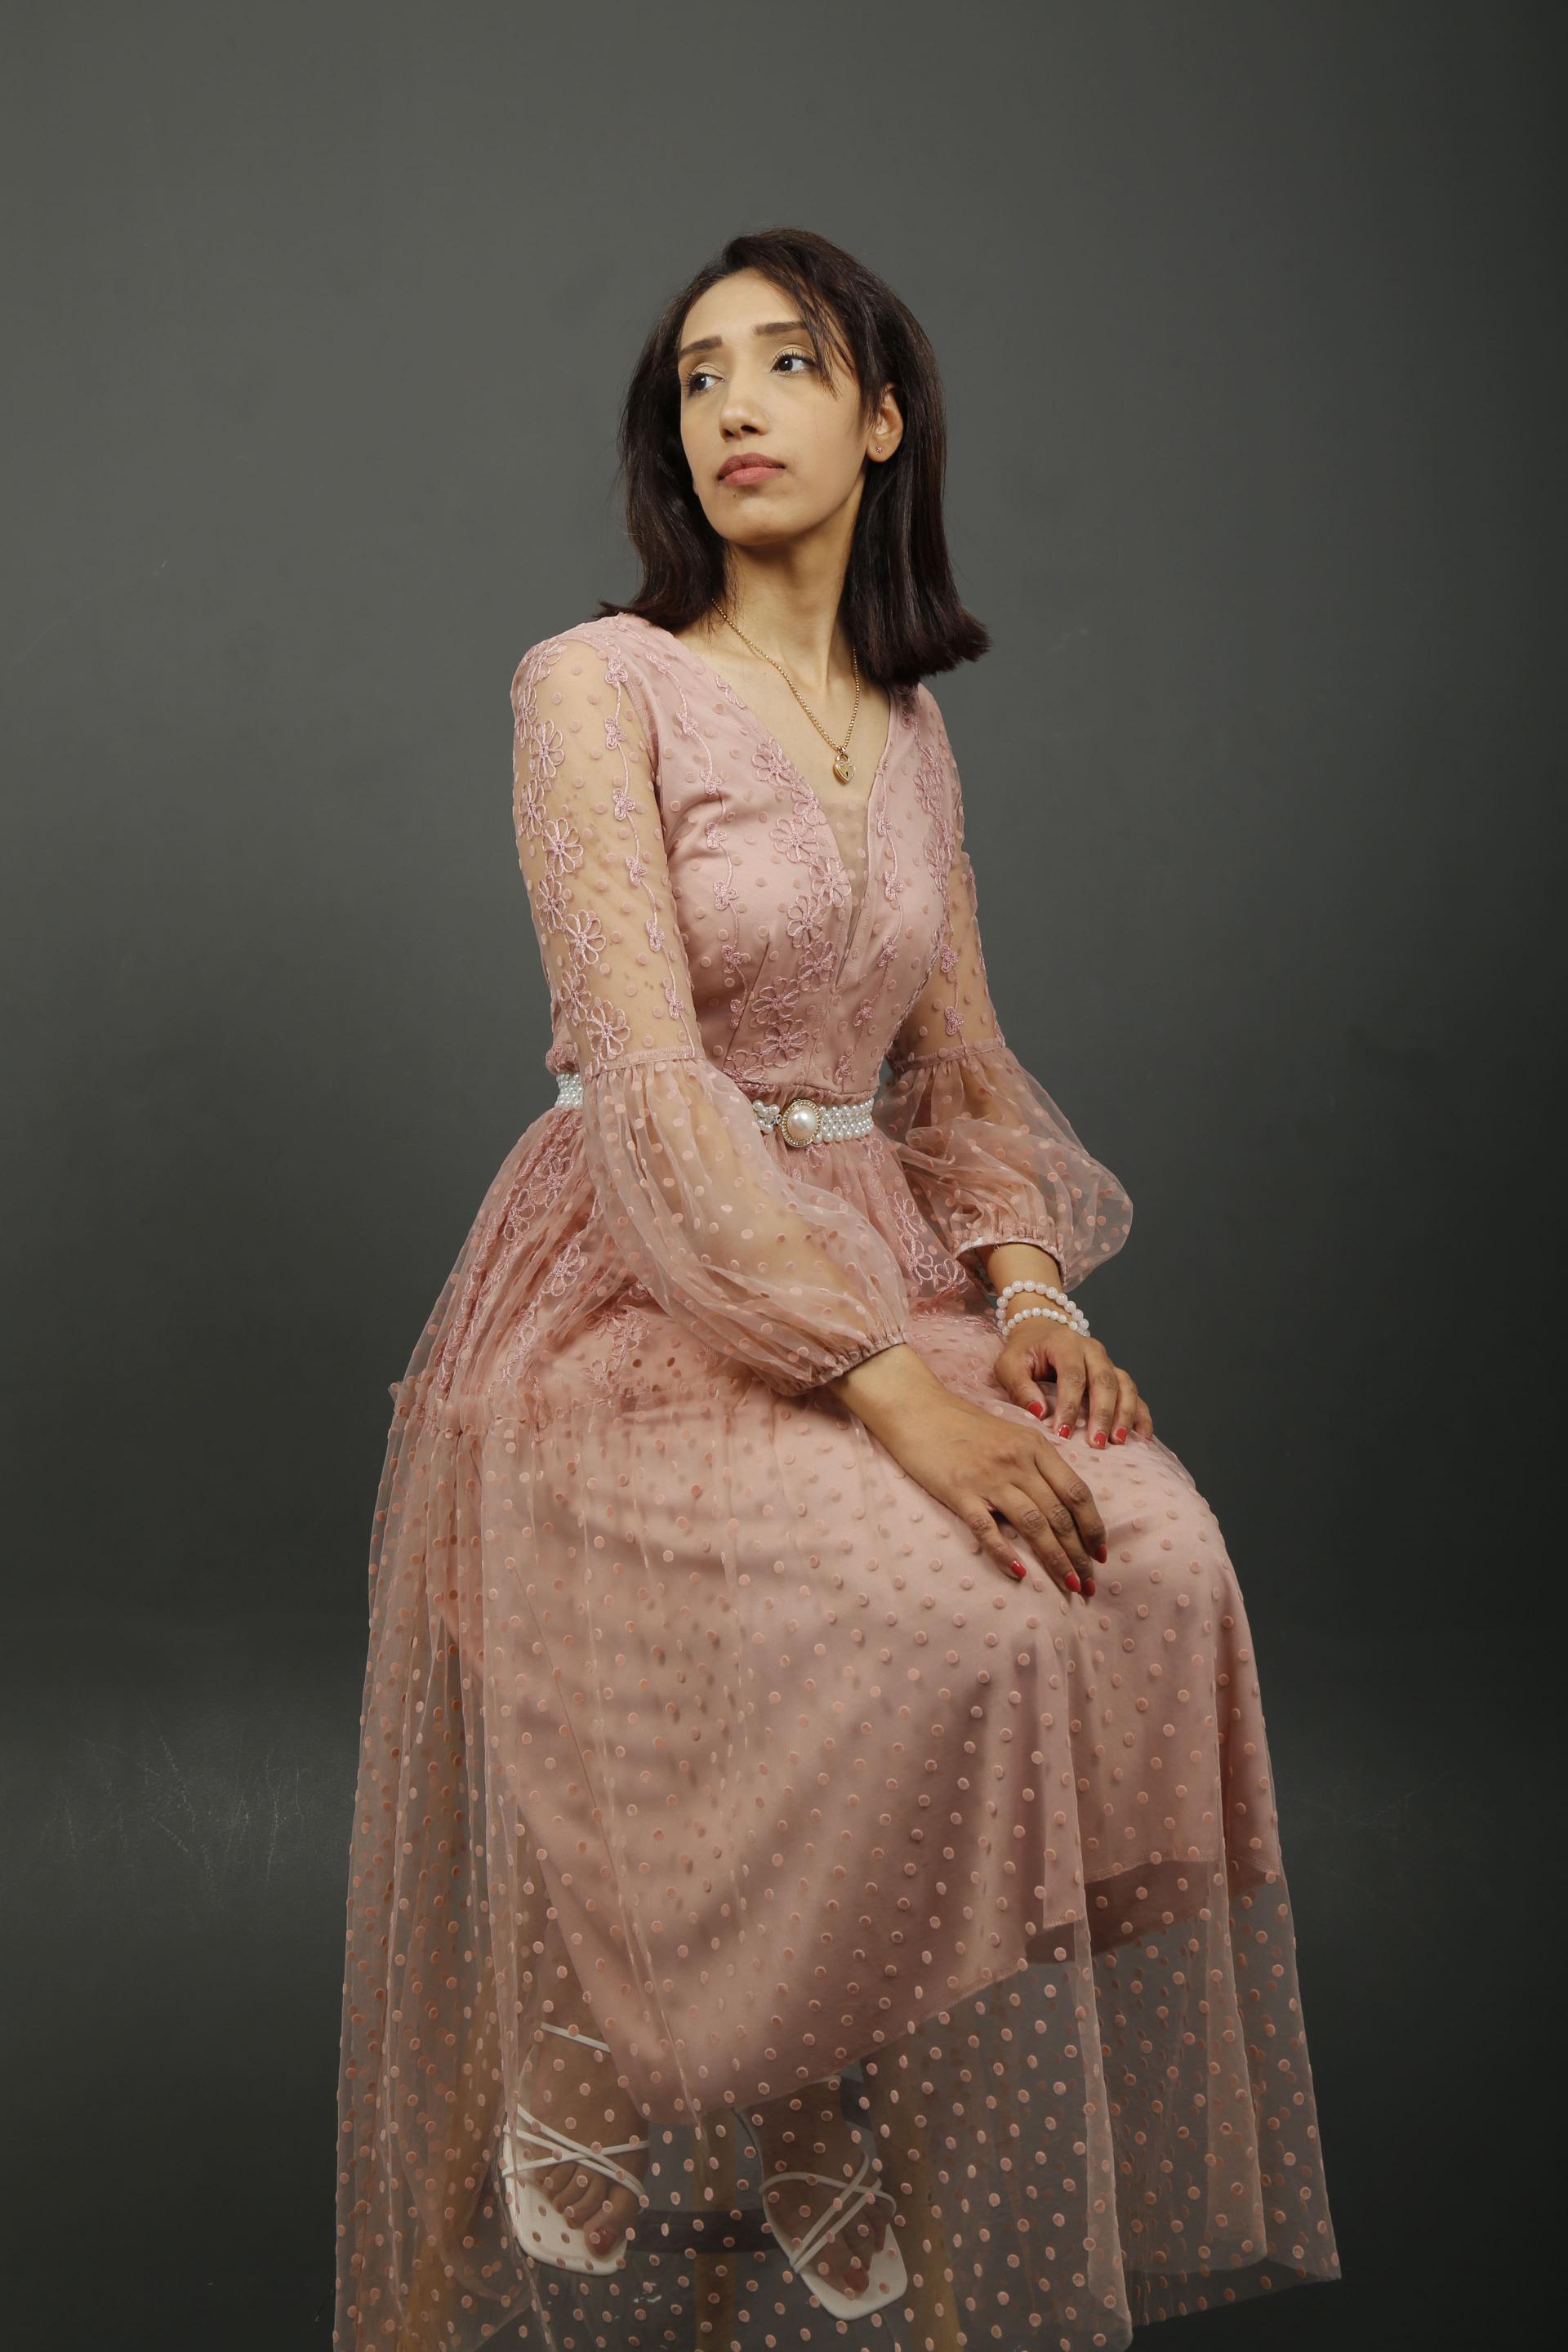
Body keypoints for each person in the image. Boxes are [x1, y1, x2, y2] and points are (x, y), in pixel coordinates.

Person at [333, 227, 1340, 2351]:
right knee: (936, 1614)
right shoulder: (591, 685)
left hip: (881, 1256)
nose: (733, 407)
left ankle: (808, 2062)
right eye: (698, 377)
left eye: (785, 364)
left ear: (881, 421)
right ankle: (627, 2049)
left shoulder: (908, 727)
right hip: (643, 1282)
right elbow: (638, 1068)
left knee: (1153, 1564)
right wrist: (899, 1392)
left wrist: (1036, 1301)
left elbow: (956, 1059)